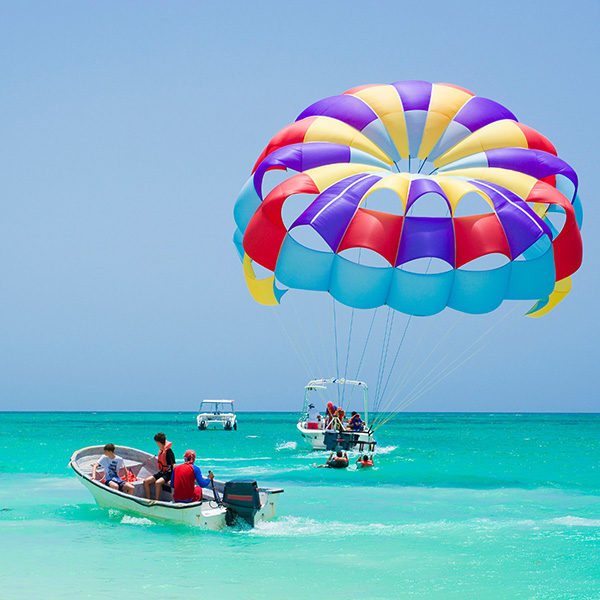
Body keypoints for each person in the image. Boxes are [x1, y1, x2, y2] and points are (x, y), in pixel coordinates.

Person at [143, 432, 176, 500]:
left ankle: (156, 501)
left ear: (158, 442)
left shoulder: (169, 452)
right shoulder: (162, 450)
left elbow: (174, 465)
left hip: (169, 474)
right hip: (162, 472)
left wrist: (173, 478)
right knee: (146, 482)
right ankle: (148, 500)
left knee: (157, 483)